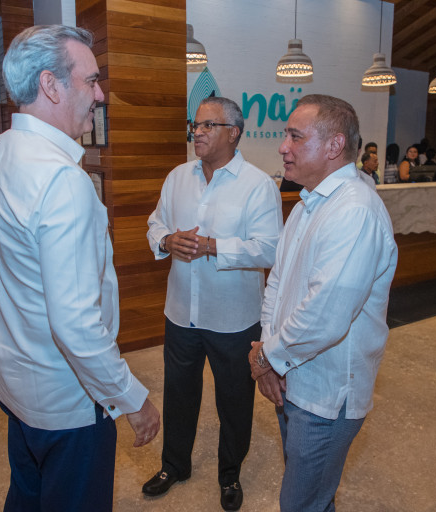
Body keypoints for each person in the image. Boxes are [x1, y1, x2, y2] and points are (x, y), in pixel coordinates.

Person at [0, 25, 159, 511]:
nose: (100, 95)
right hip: (68, 401)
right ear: (51, 85)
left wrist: (8, 322)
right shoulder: (63, 180)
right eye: (92, 81)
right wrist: (132, 398)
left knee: (28, 495)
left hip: (15, 383)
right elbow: (76, 325)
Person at [248, 94, 397, 512]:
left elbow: (325, 316)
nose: (283, 147)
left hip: (325, 397)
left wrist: (266, 358)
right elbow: (277, 285)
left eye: (296, 137)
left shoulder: (355, 211)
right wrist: (269, 354)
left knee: (301, 504)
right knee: (313, 500)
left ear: (334, 146)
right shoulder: (307, 206)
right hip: (293, 378)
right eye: (285, 135)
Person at [145, 96, 283, 511]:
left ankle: (230, 474)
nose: (198, 132)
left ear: (233, 133)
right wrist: (167, 241)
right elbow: (156, 222)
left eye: (208, 125)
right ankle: (174, 465)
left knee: (235, 401)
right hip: (180, 312)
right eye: (195, 124)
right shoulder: (177, 177)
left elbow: (269, 249)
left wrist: (212, 246)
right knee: (178, 394)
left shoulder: (257, 185)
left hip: (233, 319)